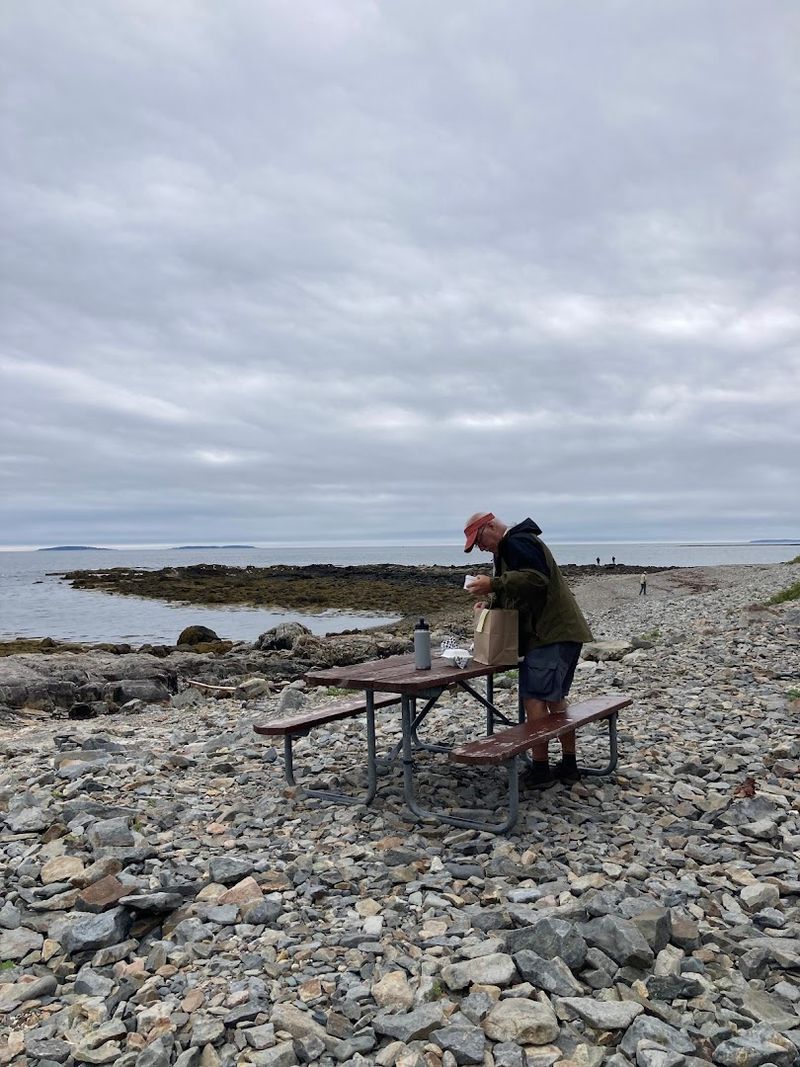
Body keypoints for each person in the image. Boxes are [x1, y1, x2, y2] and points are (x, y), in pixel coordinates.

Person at [463, 512, 593, 786]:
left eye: (479, 540)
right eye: (476, 545)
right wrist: (491, 604)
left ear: (491, 526)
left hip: (548, 636)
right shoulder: (514, 545)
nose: (481, 547)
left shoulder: (517, 542)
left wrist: (493, 583)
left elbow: (535, 580)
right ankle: (568, 766)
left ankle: (541, 770)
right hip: (563, 632)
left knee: (534, 699)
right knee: (555, 700)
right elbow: (522, 591)